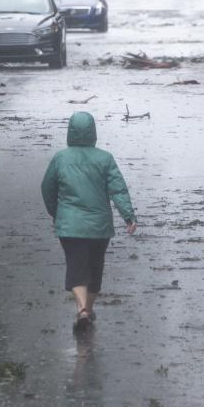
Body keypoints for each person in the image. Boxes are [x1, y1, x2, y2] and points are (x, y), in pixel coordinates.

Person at [41, 111, 137, 334]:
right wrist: (128, 216)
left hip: (70, 226)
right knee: (94, 268)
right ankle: (87, 309)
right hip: (99, 227)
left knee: (76, 266)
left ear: (70, 131)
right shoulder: (105, 158)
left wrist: (56, 213)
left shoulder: (60, 158)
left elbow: (47, 188)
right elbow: (118, 189)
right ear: (93, 131)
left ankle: (83, 309)